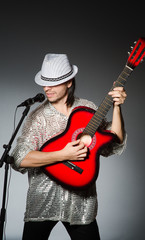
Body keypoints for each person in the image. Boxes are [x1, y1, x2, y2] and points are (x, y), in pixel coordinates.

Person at [12, 53, 127, 240]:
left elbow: (113, 144)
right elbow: (20, 158)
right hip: (42, 201)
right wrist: (62, 154)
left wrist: (117, 107)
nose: (46, 87)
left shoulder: (87, 109)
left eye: (53, 82)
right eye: (44, 82)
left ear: (69, 82)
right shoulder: (37, 117)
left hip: (81, 203)